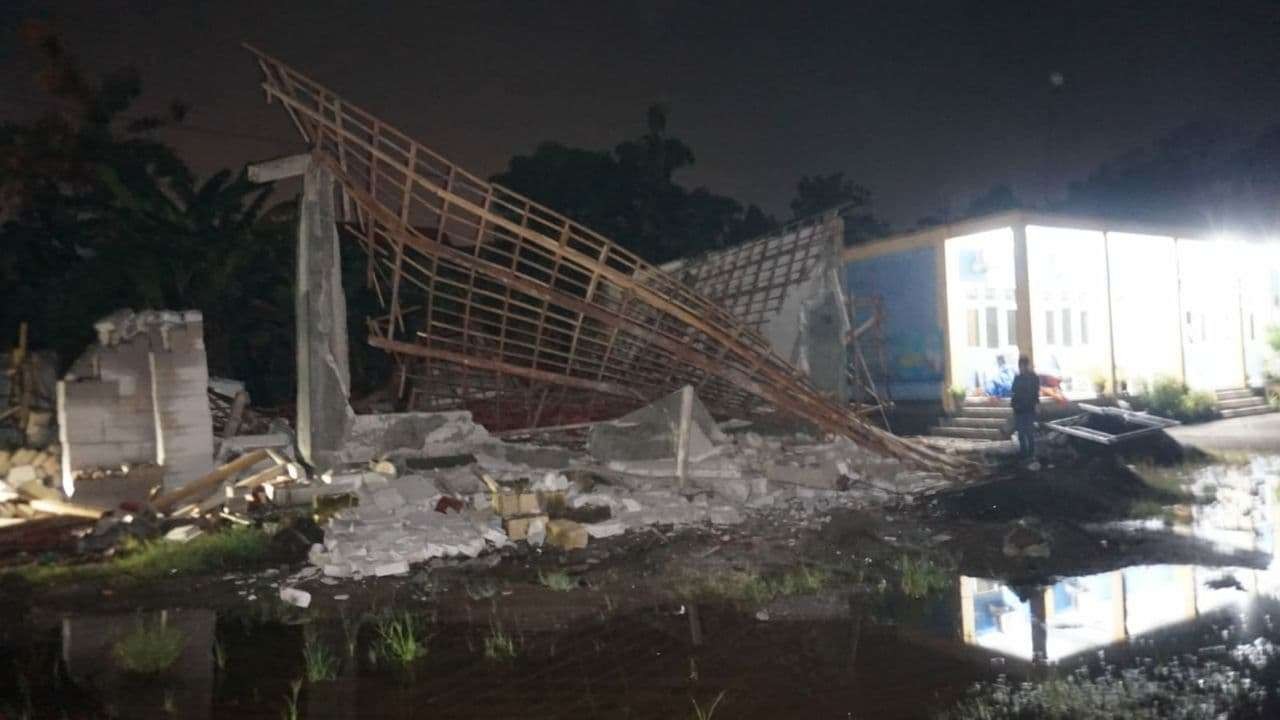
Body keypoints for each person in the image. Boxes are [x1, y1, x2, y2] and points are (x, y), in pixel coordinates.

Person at [1011, 354, 1041, 469]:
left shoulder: (1032, 378)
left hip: (1027, 409)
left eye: (1023, 365)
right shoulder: (1019, 377)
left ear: (1026, 365)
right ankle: (1024, 454)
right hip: (1020, 409)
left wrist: (1036, 405)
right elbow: (1014, 390)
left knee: (1028, 433)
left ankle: (1030, 454)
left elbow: (1035, 393)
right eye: (1020, 366)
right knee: (1022, 434)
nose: (1021, 368)